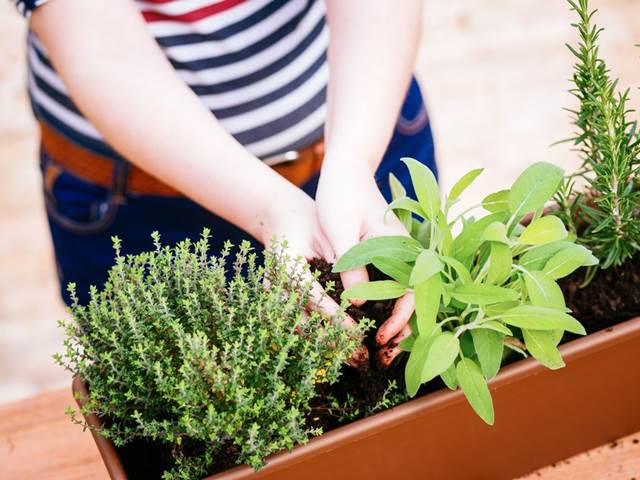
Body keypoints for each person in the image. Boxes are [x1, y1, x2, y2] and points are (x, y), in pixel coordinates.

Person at [13, 0, 437, 366]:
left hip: (362, 127)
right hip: (144, 205)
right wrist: (273, 207)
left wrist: (353, 162)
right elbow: (99, 45)